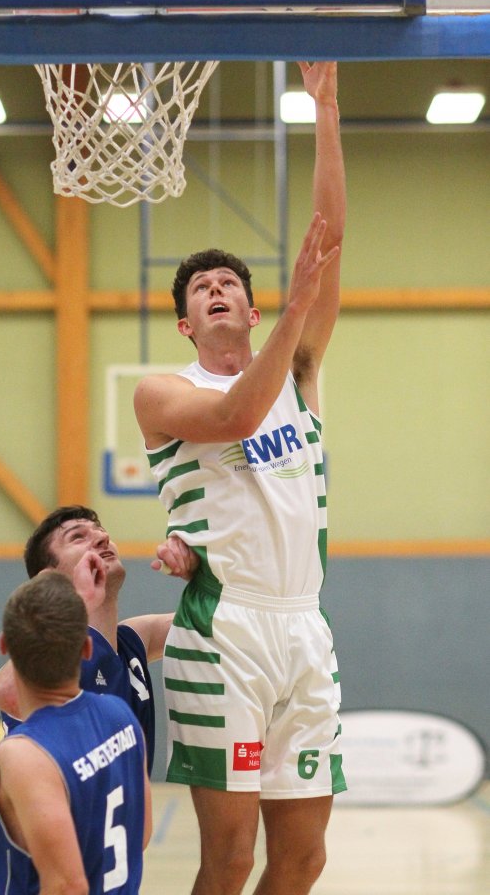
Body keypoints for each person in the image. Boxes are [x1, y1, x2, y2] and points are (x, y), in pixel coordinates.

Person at [133, 61, 346, 895]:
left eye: (229, 283)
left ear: (249, 311)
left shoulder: (296, 370)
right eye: (201, 289)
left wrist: (324, 112)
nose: (216, 289)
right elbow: (233, 421)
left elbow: (327, 238)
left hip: (305, 628)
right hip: (223, 634)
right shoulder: (168, 392)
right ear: (187, 322)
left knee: (304, 858)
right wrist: (294, 305)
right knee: (228, 858)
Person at [0, 504, 196, 816]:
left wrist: (200, 572)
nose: (101, 537)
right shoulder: (48, 658)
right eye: (78, 537)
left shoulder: (134, 639)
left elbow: (216, 620)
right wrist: (77, 602)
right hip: (49, 857)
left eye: (99, 530)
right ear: (49, 579)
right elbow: (7, 692)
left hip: (111, 853)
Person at [0, 570, 151, 895]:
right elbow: (140, 834)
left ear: (5, 645)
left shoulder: (24, 754)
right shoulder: (121, 716)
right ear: (87, 649)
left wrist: (27, 775)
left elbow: (67, 887)